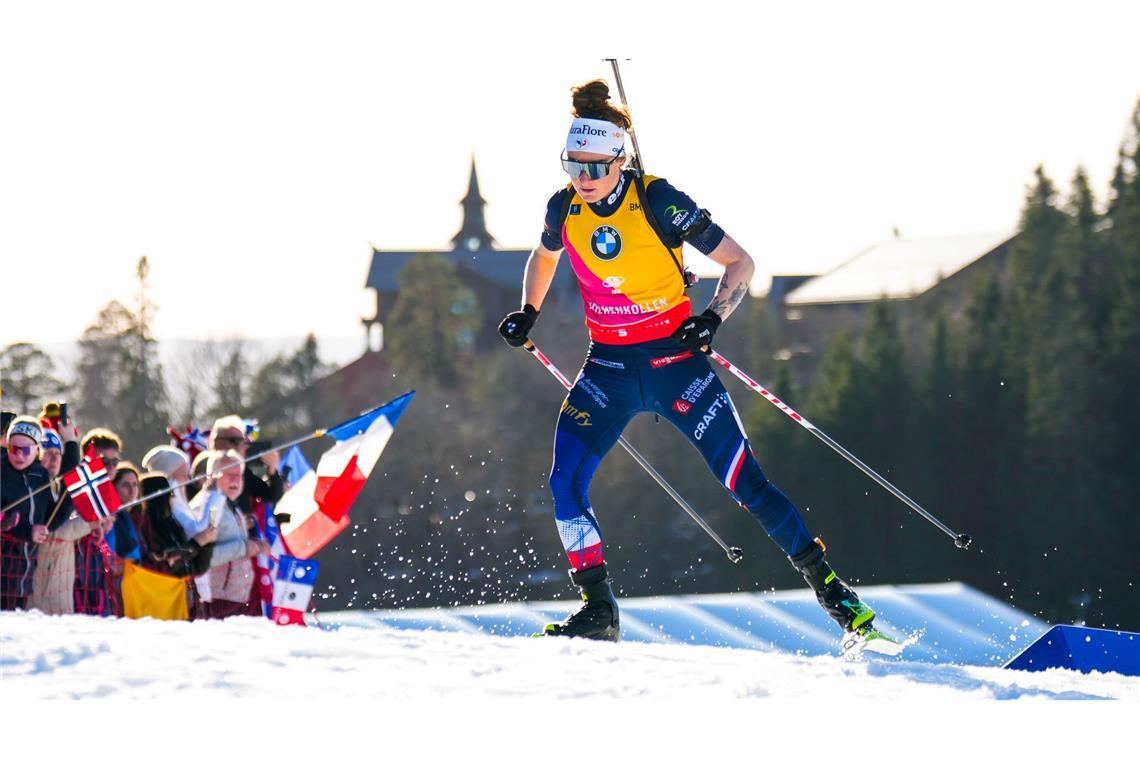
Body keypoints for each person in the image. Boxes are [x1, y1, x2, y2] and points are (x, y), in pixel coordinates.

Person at [497, 79, 879, 644]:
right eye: (572, 166)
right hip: (608, 369)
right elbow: (544, 253)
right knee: (564, 484)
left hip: (677, 363)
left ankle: (835, 596)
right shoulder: (565, 207)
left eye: (594, 167)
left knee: (745, 482)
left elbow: (741, 263)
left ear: (618, 159)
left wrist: (714, 316)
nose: (582, 179)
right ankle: (598, 610)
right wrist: (527, 310)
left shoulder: (657, 198)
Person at [1, 416, 77, 609]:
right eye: (13, 449)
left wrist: (71, 445)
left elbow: (53, 514)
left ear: (36, 451)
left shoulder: (40, 476)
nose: (19, 455)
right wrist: (26, 531)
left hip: (23, 574)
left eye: (25, 450)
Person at [198, 449, 270, 618]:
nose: (235, 479)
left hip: (239, 600)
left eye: (239, 474)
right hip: (217, 602)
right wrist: (246, 548)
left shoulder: (231, 505)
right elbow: (202, 557)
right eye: (229, 474)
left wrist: (255, 545)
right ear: (212, 476)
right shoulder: (206, 507)